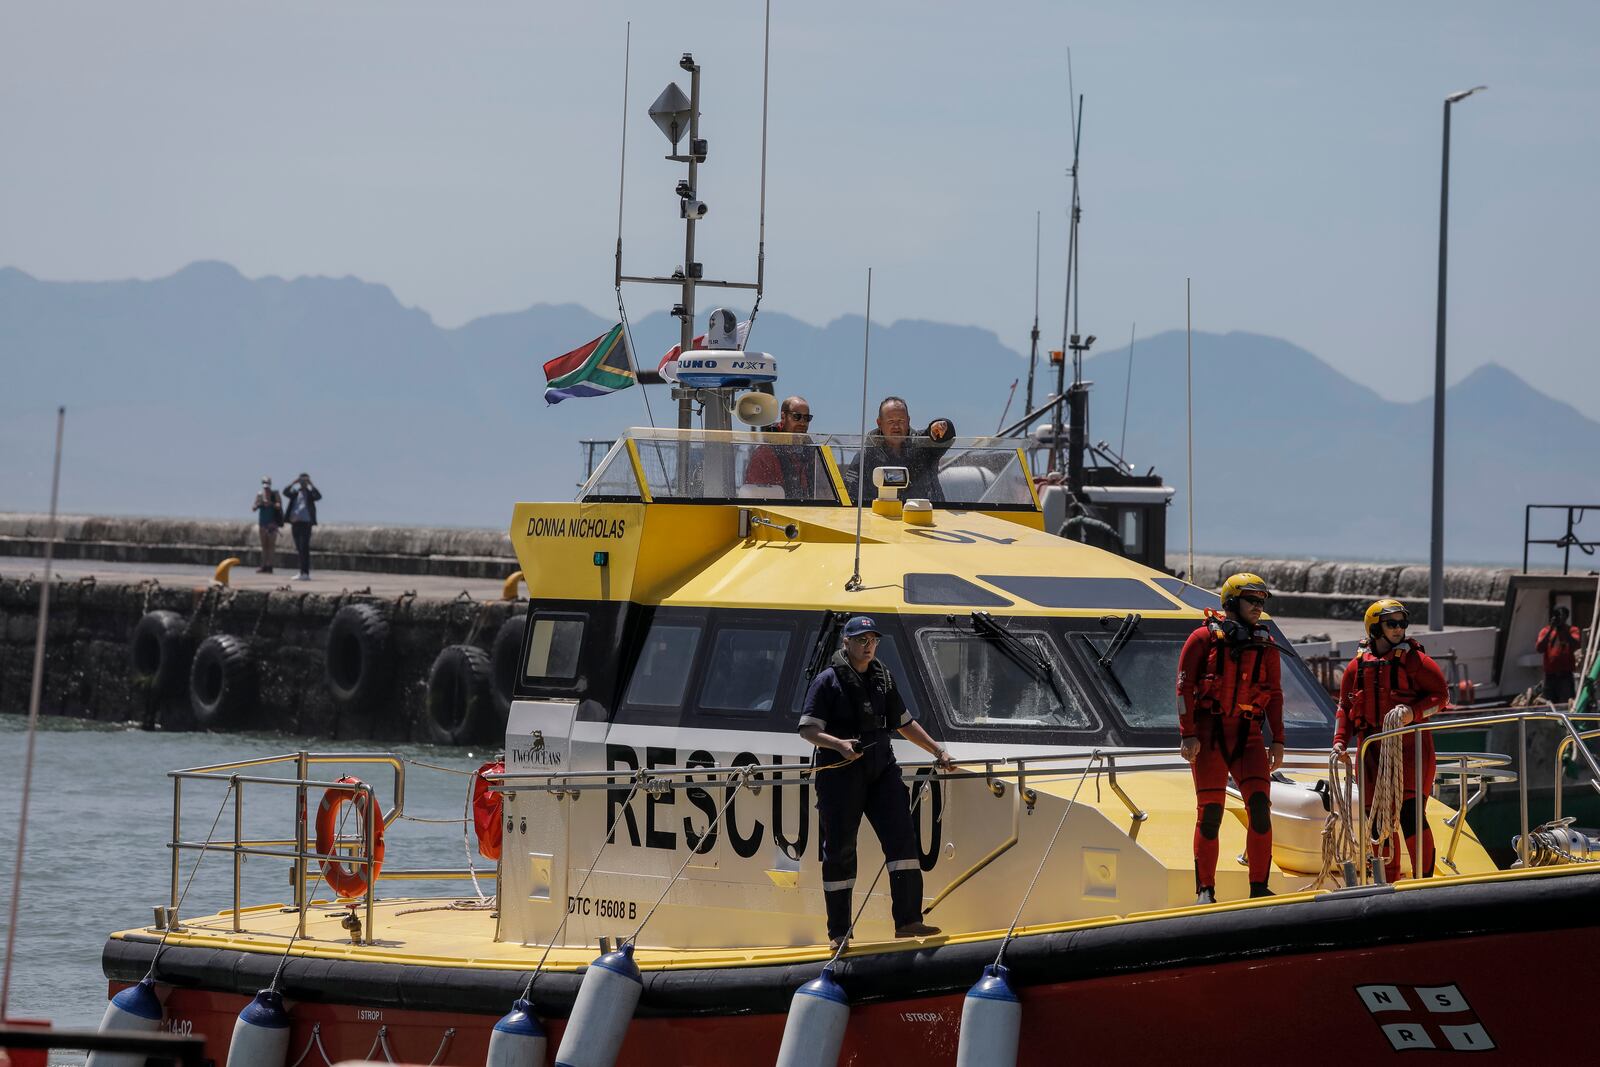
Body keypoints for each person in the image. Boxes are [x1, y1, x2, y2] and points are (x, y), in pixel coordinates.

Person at [799, 615, 955, 951]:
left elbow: (904, 723)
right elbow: (808, 730)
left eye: (873, 640)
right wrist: (839, 744)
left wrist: (938, 750)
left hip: (881, 770)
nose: (868, 646)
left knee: (902, 838)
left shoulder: (883, 678)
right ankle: (839, 932)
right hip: (840, 774)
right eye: (861, 640)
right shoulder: (827, 681)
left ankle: (908, 920)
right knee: (840, 851)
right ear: (847, 643)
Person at [1176, 572, 1284, 904]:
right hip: (1208, 734)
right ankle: (1205, 890)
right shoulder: (1200, 639)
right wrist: (1188, 734)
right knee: (1210, 813)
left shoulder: (1266, 646)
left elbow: (1276, 696)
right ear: (1233, 602)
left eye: (1262, 601)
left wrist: (1277, 739)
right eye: (1252, 600)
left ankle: (1258, 888)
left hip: (1248, 734)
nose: (1258, 607)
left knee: (1260, 808)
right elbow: (1184, 689)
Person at [1333, 598, 1450, 883]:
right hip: (1370, 751)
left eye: (1402, 623)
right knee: (1378, 821)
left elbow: (1442, 698)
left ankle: (1424, 882)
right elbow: (1345, 708)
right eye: (1392, 623)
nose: (1399, 629)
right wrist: (1339, 740)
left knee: (1410, 814)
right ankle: (1388, 882)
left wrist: (1414, 712)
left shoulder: (1417, 662)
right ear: (1375, 628)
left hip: (1410, 750)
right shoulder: (1356, 667)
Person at [851, 397, 956, 502]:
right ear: (879, 423)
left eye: (901, 421)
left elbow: (944, 438)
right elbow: (850, 494)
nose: (896, 426)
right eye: (891, 421)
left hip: (927, 514)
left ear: (908, 421)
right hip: (877, 516)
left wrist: (942, 427)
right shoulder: (866, 456)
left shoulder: (923, 447)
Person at [744, 395, 818, 498]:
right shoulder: (765, 453)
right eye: (797, 416)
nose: (802, 422)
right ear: (783, 417)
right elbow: (758, 498)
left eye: (806, 418)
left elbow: (823, 491)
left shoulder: (812, 454)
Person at [1536, 605, 1583, 706]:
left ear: (1566, 617)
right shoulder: (1545, 631)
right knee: (1548, 704)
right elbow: (1539, 648)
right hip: (1550, 676)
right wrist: (1551, 629)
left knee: (1566, 704)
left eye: (1562, 616)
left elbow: (1576, 644)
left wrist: (1563, 631)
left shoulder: (1572, 630)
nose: (1560, 619)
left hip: (1565, 675)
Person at [282, 472, 322, 581]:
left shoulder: (310, 494)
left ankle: (305, 572)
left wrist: (311, 484)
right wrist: (293, 483)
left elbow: (319, 496)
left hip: (306, 523)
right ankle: (301, 572)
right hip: (295, 523)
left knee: (304, 547)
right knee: (299, 548)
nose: (303, 483)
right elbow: (285, 492)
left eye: (305, 481)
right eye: (302, 481)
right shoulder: (295, 493)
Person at [252, 477, 283, 573]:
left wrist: (271, 503)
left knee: (271, 546)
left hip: (272, 524)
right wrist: (260, 504)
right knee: (264, 546)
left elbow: (279, 506)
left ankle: (270, 565)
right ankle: (264, 565)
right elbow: (253, 508)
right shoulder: (260, 494)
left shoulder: (275, 494)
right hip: (262, 523)